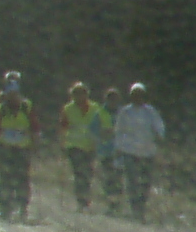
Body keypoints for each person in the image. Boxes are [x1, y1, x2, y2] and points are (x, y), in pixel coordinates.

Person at [0, 71, 37, 220]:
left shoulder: (26, 106)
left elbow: (34, 126)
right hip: (4, 147)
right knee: (6, 177)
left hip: (23, 147)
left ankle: (22, 207)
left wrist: (35, 142)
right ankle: (5, 207)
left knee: (22, 177)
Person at [108, 83, 164, 220]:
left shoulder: (150, 112)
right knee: (132, 181)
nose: (137, 97)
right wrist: (118, 148)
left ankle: (142, 207)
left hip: (147, 152)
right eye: (135, 95)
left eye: (140, 95)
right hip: (130, 151)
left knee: (146, 182)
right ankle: (135, 209)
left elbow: (159, 127)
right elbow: (119, 131)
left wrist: (159, 136)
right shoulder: (125, 112)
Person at [57, 81, 111, 211]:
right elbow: (63, 127)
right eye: (76, 93)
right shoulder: (68, 109)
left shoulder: (95, 107)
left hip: (90, 146)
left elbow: (105, 122)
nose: (79, 96)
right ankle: (82, 202)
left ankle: (84, 198)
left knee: (88, 174)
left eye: (82, 93)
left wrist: (105, 135)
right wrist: (62, 144)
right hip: (74, 146)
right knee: (79, 173)